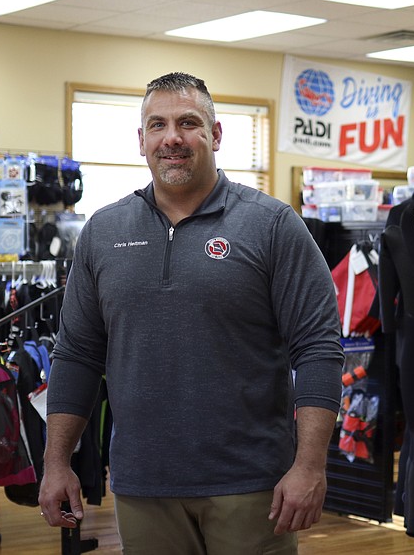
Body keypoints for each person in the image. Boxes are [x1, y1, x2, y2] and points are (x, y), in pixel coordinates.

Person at [38, 72, 345, 554]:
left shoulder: (272, 225)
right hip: (143, 483)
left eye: (188, 122)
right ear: (141, 141)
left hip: (250, 484)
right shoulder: (103, 230)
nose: (172, 138)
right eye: (157, 125)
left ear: (216, 134)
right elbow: (77, 354)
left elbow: (319, 349)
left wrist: (309, 465)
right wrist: (56, 462)